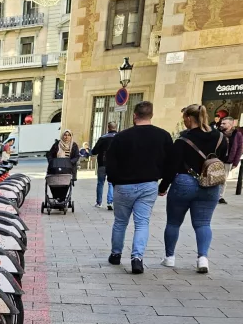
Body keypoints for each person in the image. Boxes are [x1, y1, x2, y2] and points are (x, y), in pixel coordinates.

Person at [104, 101, 173, 274]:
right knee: (142, 223)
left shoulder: (121, 137)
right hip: (148, 184)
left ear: (135, 115)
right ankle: (137, 258)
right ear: (151, 115)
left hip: (124, 185)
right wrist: (163, 185)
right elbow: (170, 164)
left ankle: (116, 254)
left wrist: (114, 181)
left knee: (120, 222)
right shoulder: (163, 136)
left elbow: (110, 161)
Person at [160, 104, 229, 274]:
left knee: (174, 222)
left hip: (184, 181)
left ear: (189, 118)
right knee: (203, 223)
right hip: (210, 184)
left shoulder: (183, 140)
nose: (183, 121)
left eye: (184, 118)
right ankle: (202, 258)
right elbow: (223, 159)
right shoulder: (221, 138)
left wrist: (163, 187)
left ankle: (169, 258)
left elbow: (172, 166)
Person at [92, 122, 118, 209]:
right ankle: (110, 202)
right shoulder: (120, 137)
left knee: (100, 183)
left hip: (102, 163)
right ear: (116, 127)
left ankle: (99, 202)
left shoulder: (103, 138)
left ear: (108, 128)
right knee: (111, 183)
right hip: (114, 165)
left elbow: (94, 151)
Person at [217, 116, 243, 203]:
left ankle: (220, 197)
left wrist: (235, 162)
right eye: (221, 123)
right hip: (216, 159)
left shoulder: (237, 134)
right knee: (213, 177)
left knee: (223, 179)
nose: (221, 124)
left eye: (224, 123)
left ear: (231, 125)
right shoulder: (217, 133)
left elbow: (239, 148)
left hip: (228, 160)